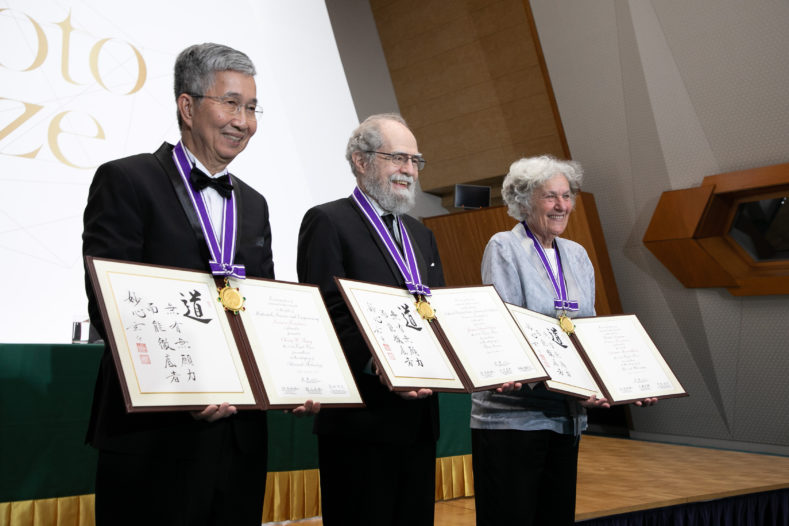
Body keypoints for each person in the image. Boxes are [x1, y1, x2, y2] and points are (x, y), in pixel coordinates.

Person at [82, 42, 317, 526]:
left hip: (239, 438)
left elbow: (260, 306)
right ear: (187, 107)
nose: (244, 120)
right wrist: (183, 386)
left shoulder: (254, 204)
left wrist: (295, 376)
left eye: (251, 108)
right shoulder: (127, 179)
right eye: (230, 102)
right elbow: (110, 301)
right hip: (154, 435)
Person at [471, 155, 656, 526]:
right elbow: (509, 332)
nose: (562, 206)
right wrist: (575, 386)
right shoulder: (504, 246)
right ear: (523, 201)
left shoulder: (578, 255)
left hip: (566, 417)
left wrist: (617, 382)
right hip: (514, 420)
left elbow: (587, 332)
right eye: (550, 197)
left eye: (567, 195)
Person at [296, 113, 445, 526]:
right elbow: (325, 309)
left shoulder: (421, 234)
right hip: (361, 420)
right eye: (398, 158)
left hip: (419, 419)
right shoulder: (328, 220)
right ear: (361, 161)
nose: (409, 171)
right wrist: (375, 361)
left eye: (415, 161)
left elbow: (436, 312)